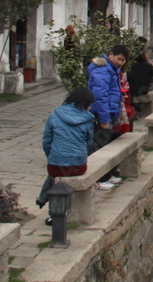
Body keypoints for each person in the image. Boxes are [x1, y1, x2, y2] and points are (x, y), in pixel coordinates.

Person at [36, 87, 96, 222]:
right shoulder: (88, 119)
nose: (90, 108)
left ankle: (49, 208)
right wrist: (81, 155)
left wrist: (52, 156)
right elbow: (89, 143)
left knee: (53, 177)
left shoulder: (55, 114)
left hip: (55, 163)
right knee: (57, 176)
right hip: (78, 165)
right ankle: (45, 201)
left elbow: (47, 141)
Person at [87, 44, 128, 186]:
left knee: (107, 143)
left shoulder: (112, 69)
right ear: (111, 54)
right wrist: (104, 118)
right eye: (119, 59)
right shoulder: (103, 70)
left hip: (109, 113)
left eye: (123, 60)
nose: (120, 62)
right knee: (99, 145)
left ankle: (107, 175)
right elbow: (100, 96)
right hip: (101, 114)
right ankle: (99, 179)